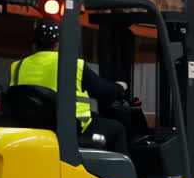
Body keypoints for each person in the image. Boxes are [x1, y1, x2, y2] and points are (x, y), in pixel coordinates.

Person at [10, 21, 131, 155]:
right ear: (57, 44)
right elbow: (101, 90)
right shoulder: (73, 64)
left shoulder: (17, 66)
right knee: (117, 129)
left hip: (31, 127)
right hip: (70, 129)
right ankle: (121, 175)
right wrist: (119, 87)